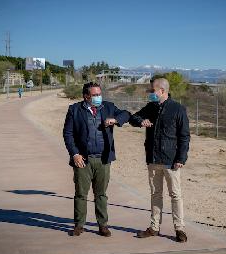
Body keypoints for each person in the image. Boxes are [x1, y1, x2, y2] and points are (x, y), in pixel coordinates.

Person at [63, 82, 130, 237]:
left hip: (103, 159)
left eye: (100, 94)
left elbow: (126, 114)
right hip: (83, 160)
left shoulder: (108, 107)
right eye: (95, 95)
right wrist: (75, 154)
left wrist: (115, 120)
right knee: (81, 194)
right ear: (86, 96)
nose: (99, 97)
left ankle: (103, 225)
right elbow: (68, 134)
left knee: (101, 194)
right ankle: (79, 225)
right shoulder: (74, 110)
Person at [129, 78, 190, 242]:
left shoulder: (178, 109)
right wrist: (141, 121)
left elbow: (184, 137)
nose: (150, 93)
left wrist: (181, 158)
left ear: (162, 91)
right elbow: (133, 118)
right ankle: (154, 227)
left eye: (152, 91)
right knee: (156, 194)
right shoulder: (151, 107)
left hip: (172, 162)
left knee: (175, 195)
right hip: (153, 159)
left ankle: (179, 229)